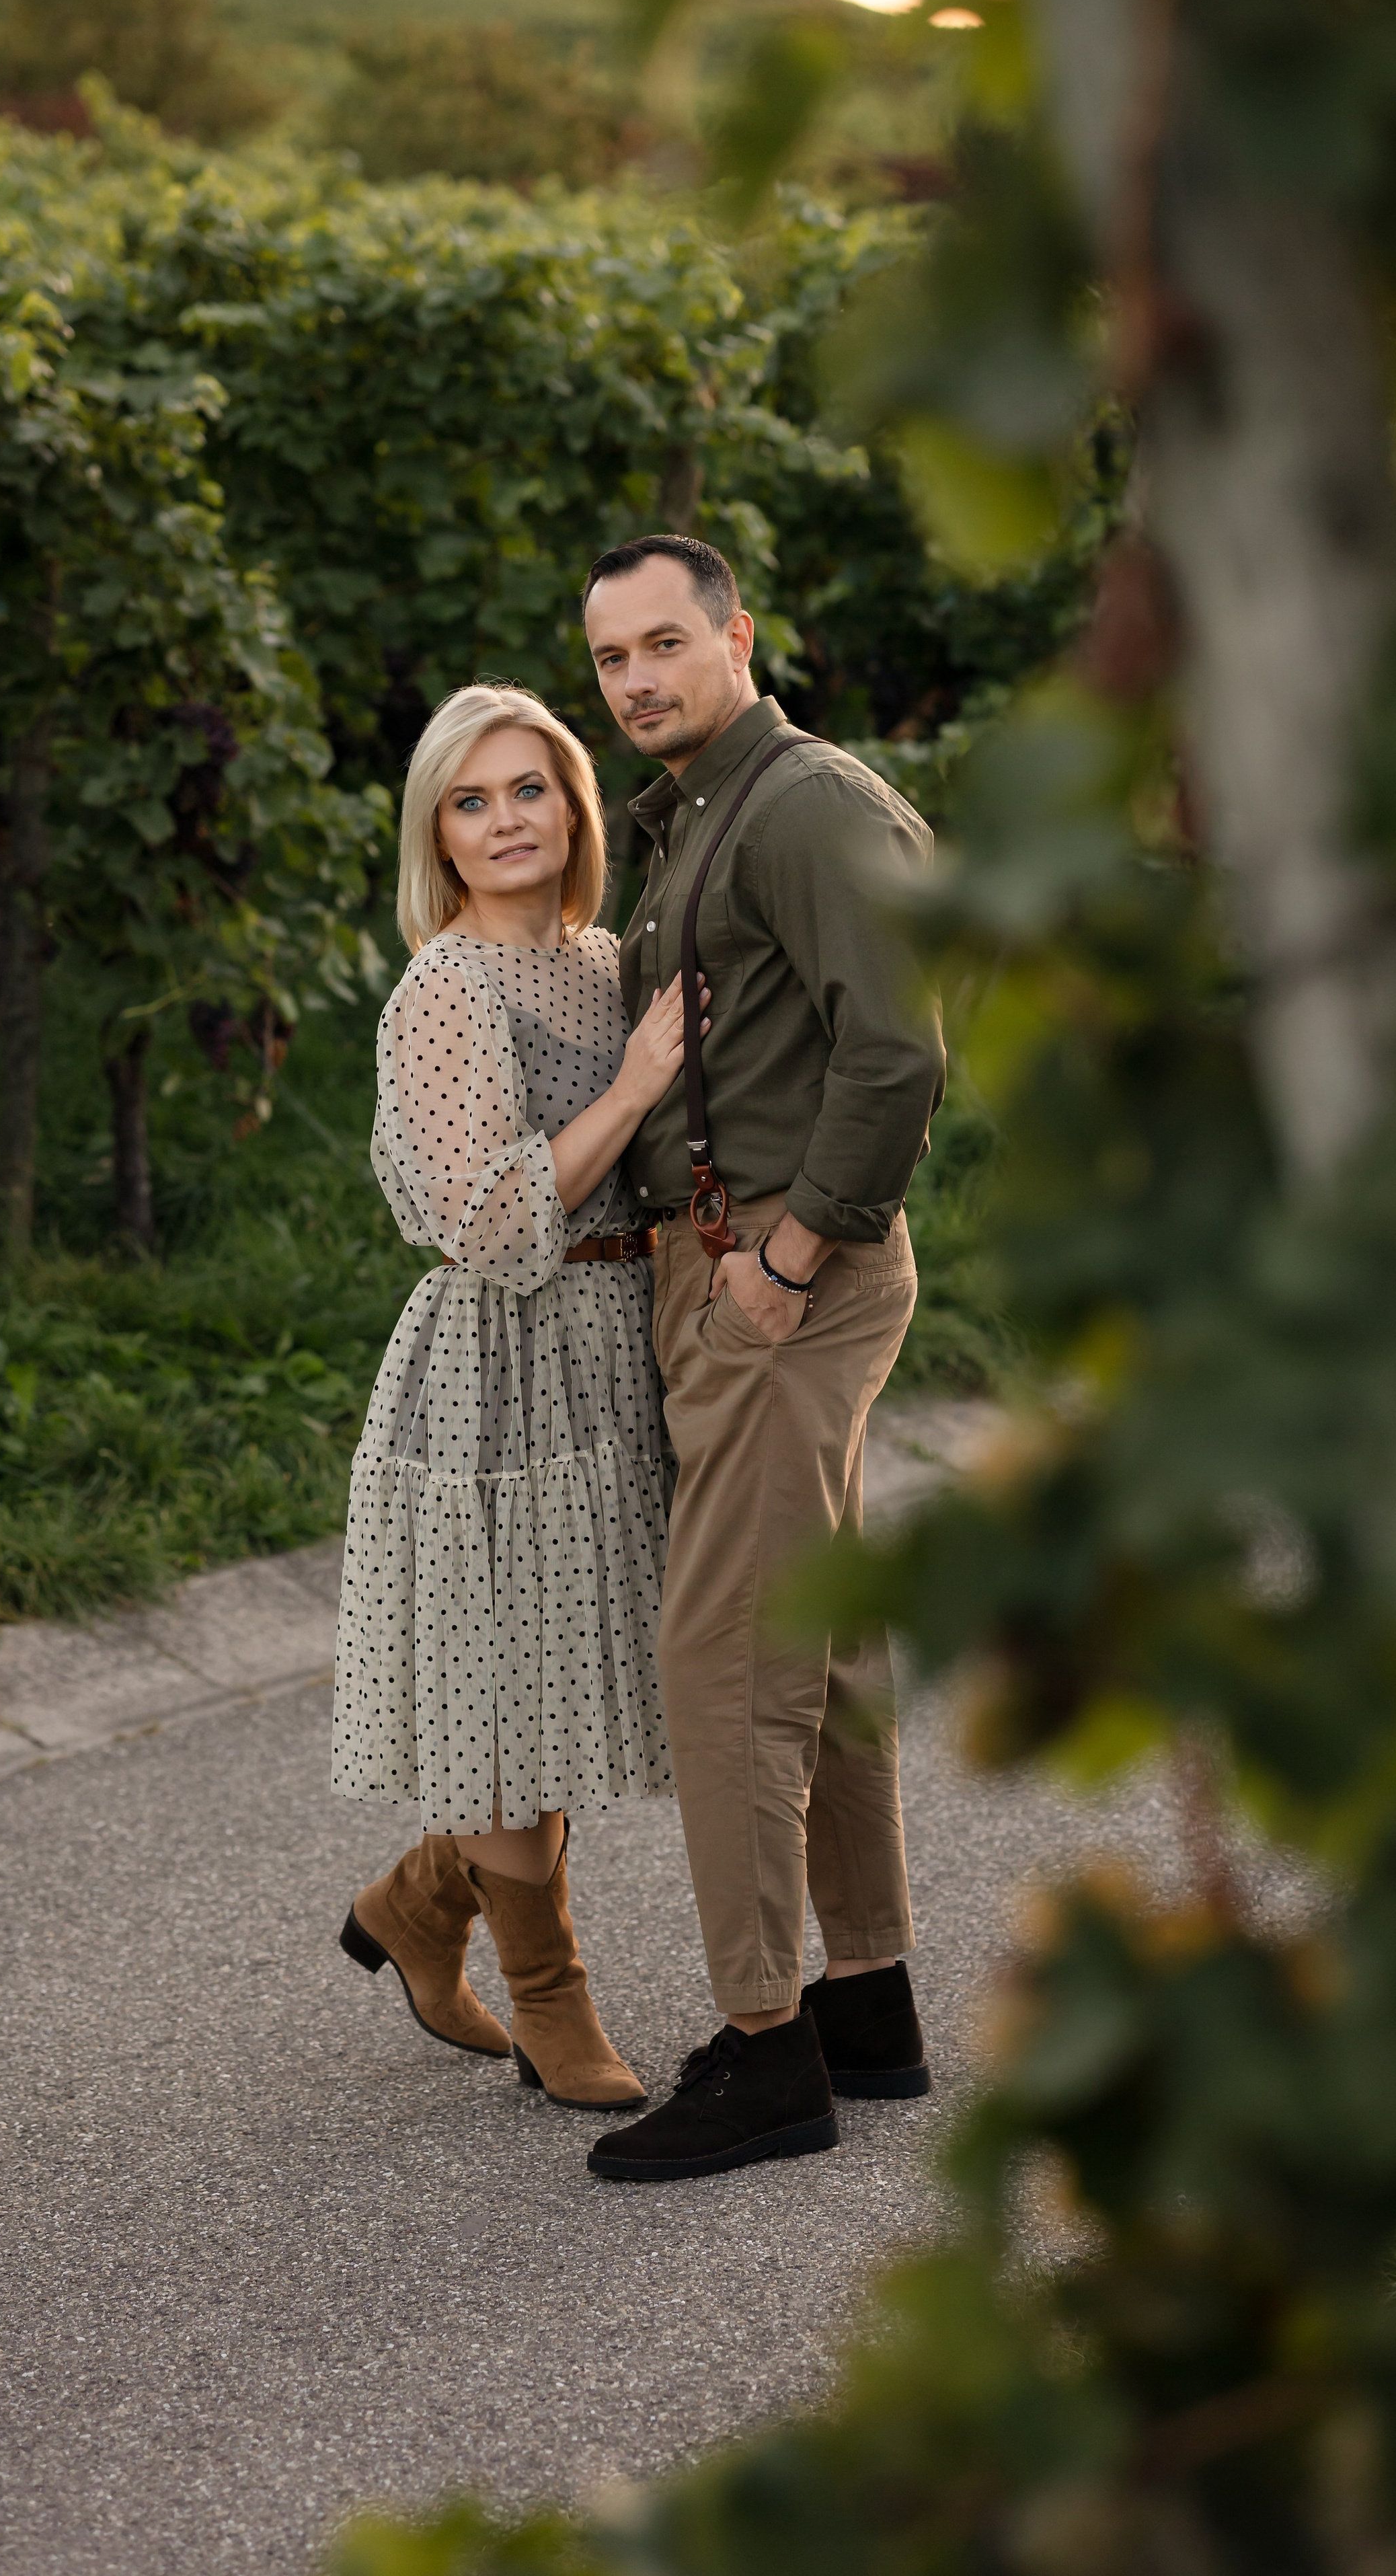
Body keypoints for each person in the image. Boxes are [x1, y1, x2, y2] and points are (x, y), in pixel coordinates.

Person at [578, 534, 947, 2184]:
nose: (635, 679)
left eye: (664, 643)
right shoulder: (700, 815)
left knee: (723, 1663)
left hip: (780, 1280)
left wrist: (789, 1262)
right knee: (822, 1643)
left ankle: (762, 2049)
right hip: (742, 1271)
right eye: (610, 658)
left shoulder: (800, 804)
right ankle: (863, 2007)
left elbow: (898, 1046)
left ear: (737, 636)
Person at [331, 680, 706, 2113]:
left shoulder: (608, 959)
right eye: (470, 801)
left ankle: (423, 1904)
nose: (503, 822)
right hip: (500, 1361)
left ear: (573, 805)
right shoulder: (445, 988)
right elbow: (489, 1224)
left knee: (568, 1672)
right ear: (437, 833)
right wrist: (636, 1086)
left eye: (528, 789)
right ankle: (550, 1996)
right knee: (506, 1686)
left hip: (621, 1340)